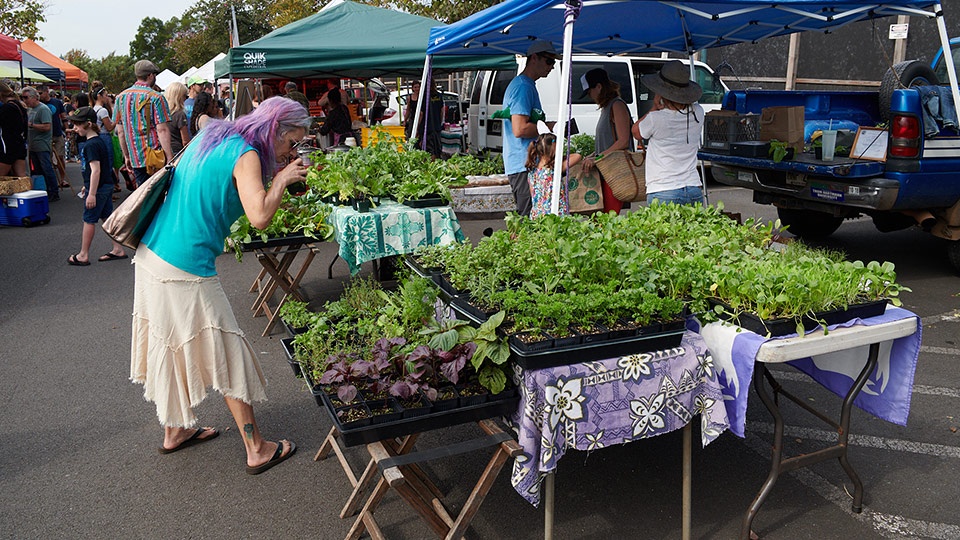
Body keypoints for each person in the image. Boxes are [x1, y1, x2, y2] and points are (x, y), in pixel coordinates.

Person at [130, 97, 306, 474]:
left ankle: (175, 431)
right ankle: (256, 447)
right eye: (291, 142)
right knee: (226, 348)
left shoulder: (214, 135)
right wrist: (283, 181)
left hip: (152, 255)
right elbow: (259, 216)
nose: (292, 151)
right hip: (184, 266)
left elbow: (209, 128)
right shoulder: (247, 156)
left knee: (171, 344)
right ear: (274, 128)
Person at [632, 61, 705, 205]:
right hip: (693, 187)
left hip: (664, 189)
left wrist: (654, 107)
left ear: (662, 92)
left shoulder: (655, 118)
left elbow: (635, 132)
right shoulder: (698, 112)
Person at [503, 40, 559, 216]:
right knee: (528, 220)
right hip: (523, 164)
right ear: (534, 58)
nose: (552, 67)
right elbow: (519, 129)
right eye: (549, 61)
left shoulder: (526, 85)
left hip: (523, 163)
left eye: (554, 63)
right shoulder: (523, 87)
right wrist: (547, 127)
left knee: (529, 218)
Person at [65, 107, 125, 267]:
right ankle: (118, 248)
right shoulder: (98, 141)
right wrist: (87, 186)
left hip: (98, 188)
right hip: (105, 185)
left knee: (89, 220)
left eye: (78, 125)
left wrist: (91, 193)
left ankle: (83, 254)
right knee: (106, 217)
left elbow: (96, 170)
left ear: (89, 124)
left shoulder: (90, 145)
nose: (75, 128)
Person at [580, 68, 634, 215]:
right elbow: (607, 142)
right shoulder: (606, 107)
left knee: (607, 218)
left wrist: (598, 157)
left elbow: (623, 141)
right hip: (606, 172)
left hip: (615, 173)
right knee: (601, 218)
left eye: (590, 91)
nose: (590, 96)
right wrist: (593, 155)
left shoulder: (617, 105)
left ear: (599, 87)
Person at [112, 60, 173, 188]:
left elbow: (120, 132)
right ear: (150, 75)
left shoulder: (120, 98)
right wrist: (169, 156)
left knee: (142, 195)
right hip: (155, 156)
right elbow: (162, 130)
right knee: (159, 195)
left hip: (135, 157)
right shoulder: (156, 97)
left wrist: (126, 156)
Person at [525, 125, 581, 218]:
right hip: (556, 214)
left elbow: (533, 195)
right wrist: (560, 158)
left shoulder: (532, 173)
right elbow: (577, 156)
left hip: (538, 214)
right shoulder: (554, 169)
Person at [22, 86, 59, 200]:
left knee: (47, 168)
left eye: (26, 97)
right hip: (33, 145)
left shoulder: (43, 109)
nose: (24, 100)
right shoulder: (30, 109)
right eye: (22, 97)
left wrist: (31, 125)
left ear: (34, 97)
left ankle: (54, 191)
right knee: (37, 170)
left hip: (42, 144)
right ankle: (44, 190)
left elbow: (47, 126)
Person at [38, 85, 68, 188]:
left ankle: (62, 179)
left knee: (60, 157)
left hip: (57, 133)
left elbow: (64, 117)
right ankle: (52, 181)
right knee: (48, 159)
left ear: (46, 92)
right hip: (45, 136)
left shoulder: (57, 102)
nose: (39, 96)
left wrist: (67, 129)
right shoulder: (38, 105)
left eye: (41, 93)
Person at [0, 82, 28, 177]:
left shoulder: (6, 108)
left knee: (2, 177)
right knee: (22, 178)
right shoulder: (19, 105)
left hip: (7, 147)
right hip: (19, 144)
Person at [164, 82, 191, 154]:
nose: (186, 99)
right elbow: (185, 141)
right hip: (178, 153)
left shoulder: (163, 114)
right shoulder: (180, 115)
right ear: (179, 97)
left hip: (165, 151)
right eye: (185, 96)